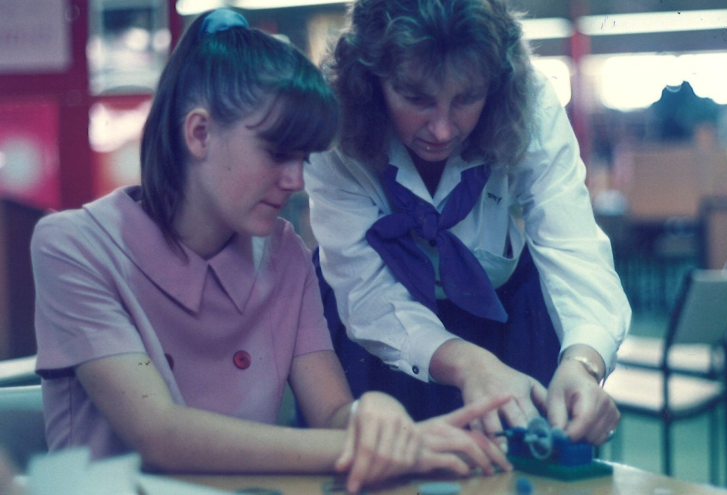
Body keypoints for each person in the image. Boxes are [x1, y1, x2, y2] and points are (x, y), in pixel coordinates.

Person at [30, 9, 510, 495]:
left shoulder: (287, 255)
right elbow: (159, 435)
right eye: (278, 153)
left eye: (303, 159)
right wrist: (376, 445)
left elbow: (332, 415)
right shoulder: (74, 246)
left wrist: (372, 418)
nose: (295, 181)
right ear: (199, 133)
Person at [305, 0, 631, 446]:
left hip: (502, 313)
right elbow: (365, 291)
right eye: (416, 98)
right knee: (390, 462)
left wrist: (582, 363)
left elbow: (572, 245)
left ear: (495, 85)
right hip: (377, 321)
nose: (441, 130)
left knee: (519, 457)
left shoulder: (530, 101)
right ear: (371, 79)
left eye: (466, 99)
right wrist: (468, 364)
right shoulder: (333, 119)